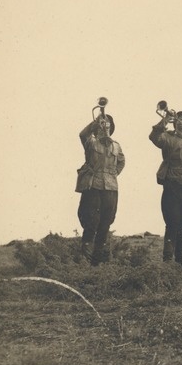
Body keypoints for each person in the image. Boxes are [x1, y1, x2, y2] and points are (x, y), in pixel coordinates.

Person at [150, 108, 182, 265]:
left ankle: (180, 258)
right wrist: (166, 119)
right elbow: (153, 136)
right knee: (172, 222)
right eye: (178, 119)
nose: (180, 121)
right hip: (173, 184)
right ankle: (167, 259)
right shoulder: (167, 138)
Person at [76, 111, 125, 265]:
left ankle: (97, 263)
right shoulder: (91, 142)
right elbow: (82, 134)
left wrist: (113, 173)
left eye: (107, 121)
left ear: (111, 126)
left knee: (106, 223)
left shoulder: (116, 146)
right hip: (93, 186)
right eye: (102, 122)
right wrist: (94, 123)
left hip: (111, 188)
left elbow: (121, 162)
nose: (105, 124)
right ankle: (85, 261)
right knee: (91, 223)